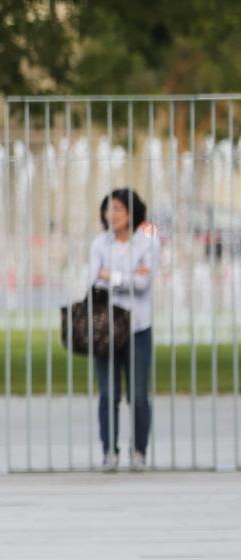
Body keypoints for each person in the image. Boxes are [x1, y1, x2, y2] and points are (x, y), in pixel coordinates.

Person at [89, 187, 156, 471]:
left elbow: (143, 284)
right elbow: (94, 279)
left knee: (139, 394)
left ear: (131, 213)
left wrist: (111, 275)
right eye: (108, 208)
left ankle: (139, 451)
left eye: (117, 208)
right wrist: (127, 276)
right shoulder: (99, 245)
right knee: (108, 393)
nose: (111, 214)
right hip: (106, 327)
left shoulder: (147, 244)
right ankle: (109, 451)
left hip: (138, 326)